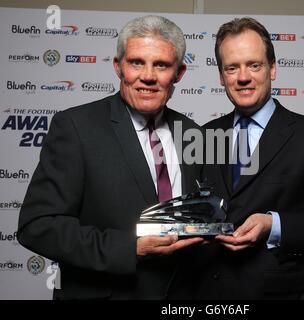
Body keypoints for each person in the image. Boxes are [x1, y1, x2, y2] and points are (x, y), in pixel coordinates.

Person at [17, 15, 205, 300]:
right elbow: (37, 226)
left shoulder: (192, 133)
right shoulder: (76, 127)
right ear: (119, 67)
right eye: (136, 62)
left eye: (161, 65)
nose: (148, 76)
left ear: (179, 73)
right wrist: (129, 248)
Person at [197, 17, 304, 299]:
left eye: (254, 65)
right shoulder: (205, 134)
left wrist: (274, 225)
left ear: (272, 68)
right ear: (221, 77)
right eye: (232, 68)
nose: (243, 77)